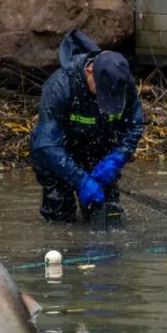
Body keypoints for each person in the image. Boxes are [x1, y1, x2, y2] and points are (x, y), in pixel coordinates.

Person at [29, 29, 144, 223]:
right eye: (102, 92)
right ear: (89, 71)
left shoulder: (122, 81)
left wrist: (117, 158)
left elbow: (134, 125)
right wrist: (80, 179)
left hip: (98, 153)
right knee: (61, 221)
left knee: (108, 219)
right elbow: (46, 144)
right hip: (58, 156)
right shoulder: (60, 86)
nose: (105, 100)